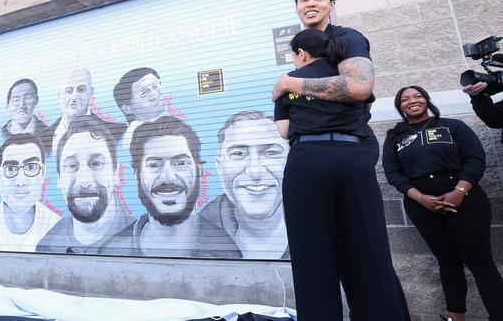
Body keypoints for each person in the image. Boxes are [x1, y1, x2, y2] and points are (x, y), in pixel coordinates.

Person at [274, 28, 409, 320]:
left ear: (301, 53)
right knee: (370, 251)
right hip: (352, 159)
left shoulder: (288, 83)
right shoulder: (347, 77)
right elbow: (365, 106)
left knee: (312, 256)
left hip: (307, 161)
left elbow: (284, 132)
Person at [383, 86, 503, 321]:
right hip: (422, 205)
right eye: (405, 99)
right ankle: (456, 318)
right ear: (400, 107)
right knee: (448, 262)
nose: (412, 101)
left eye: (417, 96)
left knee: (481, 263)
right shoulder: (394, 136)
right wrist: (420, 198)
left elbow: (475, 159)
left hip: (465, 200)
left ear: (427, 100)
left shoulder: (452, 126)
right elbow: (393, 174)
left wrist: (459, 191)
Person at [100, 116, 239, 258]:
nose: (168, 177)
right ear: (137, 174)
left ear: (199, 169)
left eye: (180, 163)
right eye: (154, 165)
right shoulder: (113, 251)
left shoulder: (226, 251)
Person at [37, 115, 133, 254]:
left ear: (116, 174)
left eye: (96, 163)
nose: (84, 180)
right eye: (71, 165)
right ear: (59, 178)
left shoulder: (140, 243)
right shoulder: (47, 245)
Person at [200, 111, 289, 260]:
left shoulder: (319, 222)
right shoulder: (197, 233)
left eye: (271, 152)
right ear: (219, 166)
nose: (255, 171)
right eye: (239, 154)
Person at [0, 134, 60, 252]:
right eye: (11, 169)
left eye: (31, 167)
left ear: (43, 174)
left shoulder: (55, 226)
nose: (20, 182)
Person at [41, 68, 126, 155]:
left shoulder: (118, 133)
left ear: (91, 92)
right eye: (68, 91)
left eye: (81, 90)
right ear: (59, 96)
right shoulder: (42, 138)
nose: (74, 97)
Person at [113, 67, 167, 147]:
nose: (155, 95)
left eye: (155, 86)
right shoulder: (134, 140)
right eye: (144, 92)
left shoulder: (166, 126)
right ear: (127, 108)